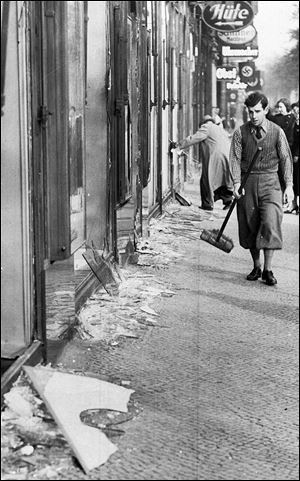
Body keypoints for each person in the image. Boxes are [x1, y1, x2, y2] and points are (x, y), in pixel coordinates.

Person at [230, 91, 294, 286]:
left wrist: (289, 186)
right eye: (250, 112)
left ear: (266, 110)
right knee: (251, 225)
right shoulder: (240, 132)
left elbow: (285, 159)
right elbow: (234, 158)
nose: (254, 116)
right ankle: (256, 266)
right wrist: (236, 183)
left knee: (270, 223)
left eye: (257, 111)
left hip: (271, 183)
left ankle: (268, 269)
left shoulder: (277, 132)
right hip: (247, 184)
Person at [178, 115, 233, 211]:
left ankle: (207, 204)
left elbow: (194, 138)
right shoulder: (219, 128)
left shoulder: (206, 127)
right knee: (223, 180)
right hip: (226, 156)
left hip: (216, 157)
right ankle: (228, 201)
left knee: (206, 179)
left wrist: (178, 145)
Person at [286, 100, 299, 214]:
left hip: (297, 155)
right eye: (294, 110)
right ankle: (294, 204)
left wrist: (296, 154)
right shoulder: (294, 122)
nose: (295, 112)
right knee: (295, 179)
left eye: (296, 110)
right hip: (294, 155)